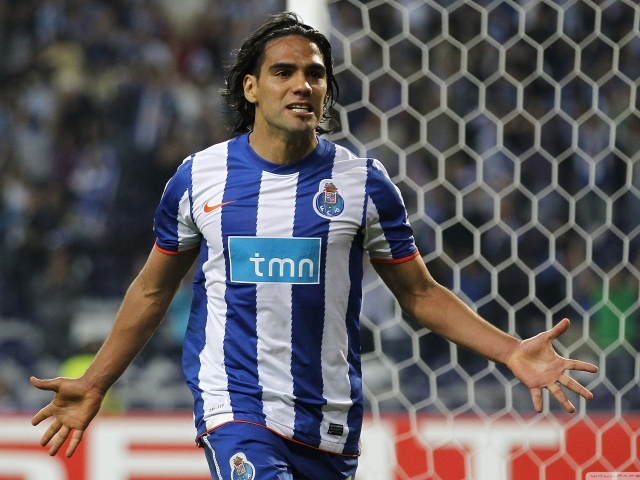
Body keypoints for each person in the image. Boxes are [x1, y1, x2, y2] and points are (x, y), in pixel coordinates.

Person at [30, 12, 598, 480]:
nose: (302, 84)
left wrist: (510, 351)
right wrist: (96, 381)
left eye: (315, 74)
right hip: (236, 406)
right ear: (251, 88)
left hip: (329, 420)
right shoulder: (199, 178)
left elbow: (420, 294)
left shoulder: (363, 184)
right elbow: (153, 290)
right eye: (283, 71)